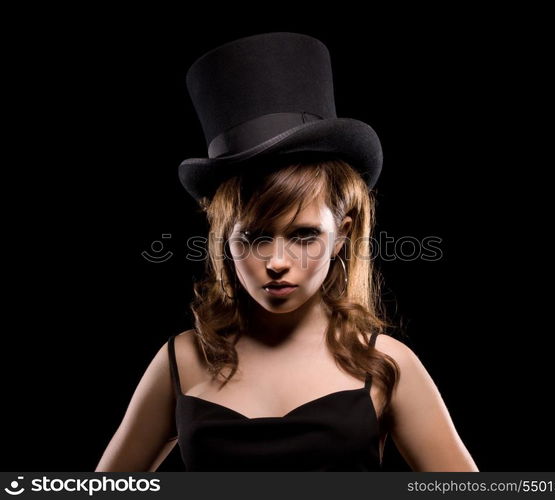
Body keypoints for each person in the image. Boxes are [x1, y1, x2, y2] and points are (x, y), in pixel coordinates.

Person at [95, 32, 479, 472]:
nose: (277, 262)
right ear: (225, 240)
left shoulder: (387, 365)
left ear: (342, 235)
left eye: (303, 235)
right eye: (255, 237)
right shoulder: (180, 361)